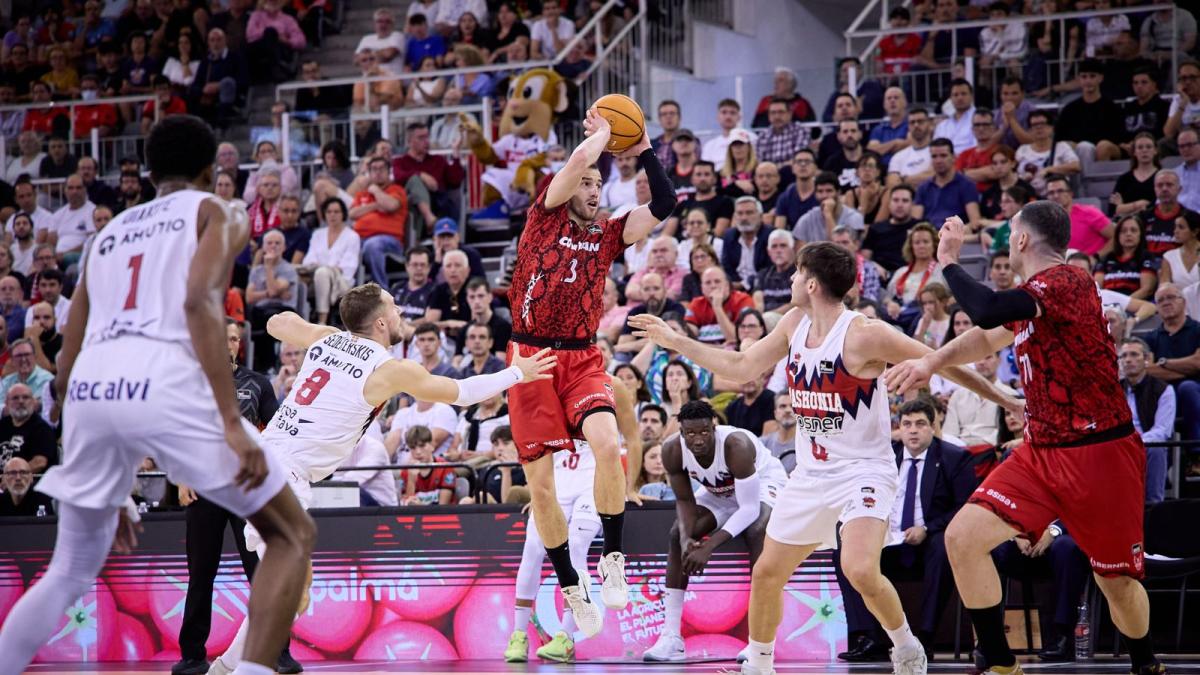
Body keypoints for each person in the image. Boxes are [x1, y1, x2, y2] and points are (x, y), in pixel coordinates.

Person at [0, 116, 317, 675]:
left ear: (146, 174)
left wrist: (110, 478)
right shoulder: (212, 211)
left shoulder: (106, 235)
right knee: (291, 534)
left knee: (68, 569)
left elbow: (66, 364)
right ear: (209, 172)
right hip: (164, 380)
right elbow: (200, 304)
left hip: (93, 390)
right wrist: (229, 422)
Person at [630, 242, 1015, 675]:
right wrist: (674, 339)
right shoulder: (795, 322)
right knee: (768, 572)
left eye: (795, 274)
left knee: (859, 569)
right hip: (811, 474)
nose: (790, 281)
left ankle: (905, 644)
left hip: (864, 471)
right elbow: (740, 366)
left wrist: (1007, 401)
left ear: (811, 283)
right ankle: (758, 664)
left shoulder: (864, 333)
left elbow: (941, 362)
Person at [209, 283, 555, 672]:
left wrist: (291, 323)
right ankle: (241, 670)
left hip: (259, 465)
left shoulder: (326, 339)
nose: (400, 313)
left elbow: (277, 322)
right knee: (293, 591)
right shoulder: (388, 368)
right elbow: (461, 392)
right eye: (394, 307)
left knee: (284, 587)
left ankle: (225, 667)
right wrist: (516, 373)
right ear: (379, 322)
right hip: (282, 475)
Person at [887, 206, 1168, 675]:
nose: (1004, 242)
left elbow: (988, 308)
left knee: (1114, 581)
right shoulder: (1034, 300)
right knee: (960, 538)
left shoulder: (1068, 282)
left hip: (1100, 453)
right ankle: (999, 662)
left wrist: (950, 260)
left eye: (1008, 234)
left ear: (1020, 241)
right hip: (1041, 452)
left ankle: (1145, 662)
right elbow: (985, 335)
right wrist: (931, 363)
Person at [504, 108, 672, 637]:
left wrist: (642, 146)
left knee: (606, 444)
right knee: (543, 492)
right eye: (588, 181)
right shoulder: (544, 215)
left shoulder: (610, 235)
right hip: (531, 362)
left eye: (601, 182)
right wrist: (600, 137)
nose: (595, 188)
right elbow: (578, 159)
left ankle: (613, 558)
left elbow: (664, 204)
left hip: (580, 357)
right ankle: (571, 587)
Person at [642, 401, 788, 662]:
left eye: (704, 432)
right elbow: (685, 501)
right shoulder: (672, 449)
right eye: (691, 434)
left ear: (714, 427)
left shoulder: (736, 445)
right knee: (677, 534)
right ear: (682, 432)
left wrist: (709, 546)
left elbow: (748, 509)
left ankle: (759, 640)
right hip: (718, 493)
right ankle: (671, 637)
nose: (698, 440)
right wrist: (689, 540)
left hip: (764, 484)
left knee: (756, 530)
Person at [835, 398, 974, 662]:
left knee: (942, 546)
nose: (912, 430)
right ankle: (869, 637)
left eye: (920, 424)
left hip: (928, 542)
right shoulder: (884, 459)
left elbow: (964, 508)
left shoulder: (955, 458)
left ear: (934, 426)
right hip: (890, 539)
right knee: (844, 550)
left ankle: (926, 636)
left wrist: (926, 528)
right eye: (906, 424)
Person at [1118, 338, 1175, 505]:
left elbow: (1162, 430)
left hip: (1145, 444)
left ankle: (1154, 506)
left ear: (1147, 359)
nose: (1128, 360)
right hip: (1120, 445)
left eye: (1134, 354)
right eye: (1124, 356)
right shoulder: (1113, 389)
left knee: (1156, 449)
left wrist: (1135, 442)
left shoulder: (1164, 389)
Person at [1096, 215, 1157, 301]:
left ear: (1141, 234)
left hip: (1134, 306)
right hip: (1107, 306)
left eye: (1133, 230)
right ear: (1117, 236)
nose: (1128, 234)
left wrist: (1123, 303)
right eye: (1123, 231)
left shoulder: (1147, 257)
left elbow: (1147, 290)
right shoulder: (1106, 259)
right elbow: (1097, 289)